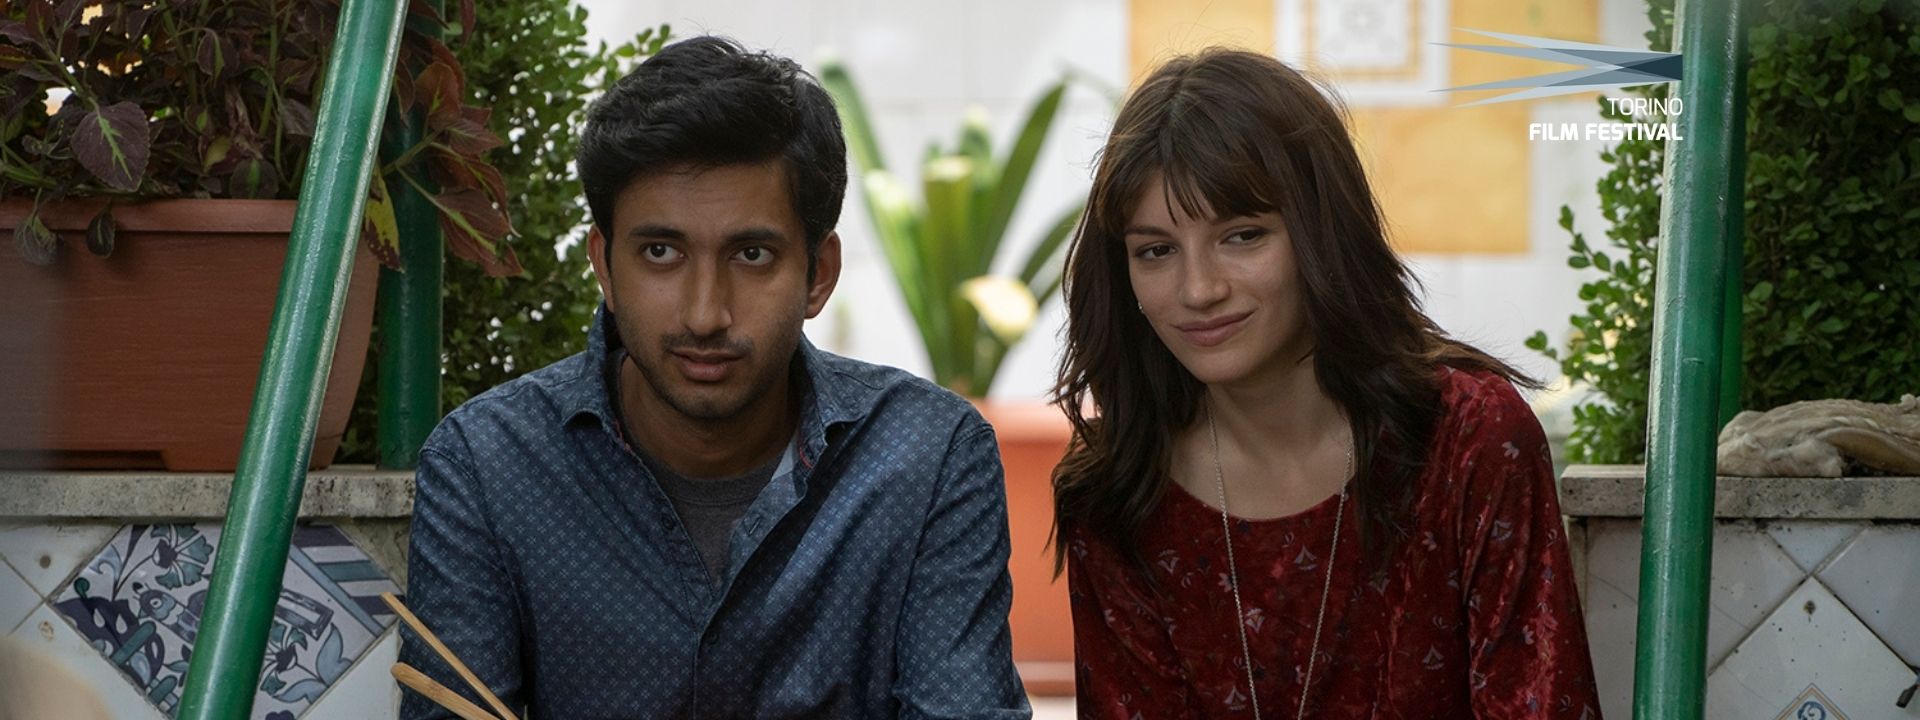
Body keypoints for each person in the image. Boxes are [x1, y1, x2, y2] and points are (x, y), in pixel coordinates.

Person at [401, 36, 1029, 719]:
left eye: (752, 254)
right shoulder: (489, 465)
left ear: (818, 274)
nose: (705, 314)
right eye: (660, 252)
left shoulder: (926, 459)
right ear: (604, 266)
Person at [1050, 48, 1601, 719]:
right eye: (1156, 250)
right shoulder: (1119, 493)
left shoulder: (1471, 440)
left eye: (1242, 236)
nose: (1198, 289)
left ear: (1321, 232)